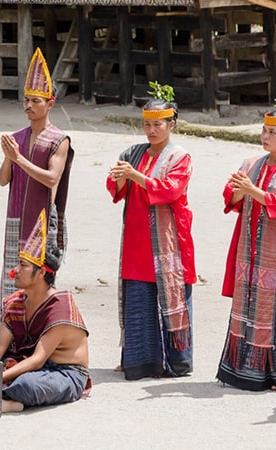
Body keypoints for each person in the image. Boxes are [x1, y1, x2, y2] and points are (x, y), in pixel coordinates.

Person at [216, 89, 276, 392]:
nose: (265, 136)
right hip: (249, 247)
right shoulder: (251, 164)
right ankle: (243, 371)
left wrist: (252, 191)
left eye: (273, 132)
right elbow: (230, 198)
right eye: (263, 130)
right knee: (247, 303)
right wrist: (241, 190)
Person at [106, 88, 195, 380]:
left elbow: (171, 190)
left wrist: (134, 176)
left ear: (172, 124)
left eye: (158, 124)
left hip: (168, 238)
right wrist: (120, 178)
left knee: (171, 298)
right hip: (136, 237)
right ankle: (139, 361)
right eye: (147, 124)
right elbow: (115, 188)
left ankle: (176, 363)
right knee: (139, 300)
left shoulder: (179, 156)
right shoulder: (133, 153)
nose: (151, 130)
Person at [0, 209, 89, 413]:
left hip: (64, 372)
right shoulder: (17, 301)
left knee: (25, 385)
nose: (15, 270)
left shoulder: (60, 306)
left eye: (22, 265)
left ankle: (12, 402)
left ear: (41, 272)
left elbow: (38, 359)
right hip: (29, 361)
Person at [0, 47, 74, 301]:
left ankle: (38, 334)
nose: (29, 106)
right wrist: (10, 159)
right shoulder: (18, 136)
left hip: (41, 220)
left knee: (38, 283)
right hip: (15, 216)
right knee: (13, 281)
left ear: (50, 104)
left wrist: (18, 158)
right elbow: (2, 180)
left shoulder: (58, 139)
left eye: (35, 101)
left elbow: (52, 178)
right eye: (26, 100)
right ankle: (10, 336)